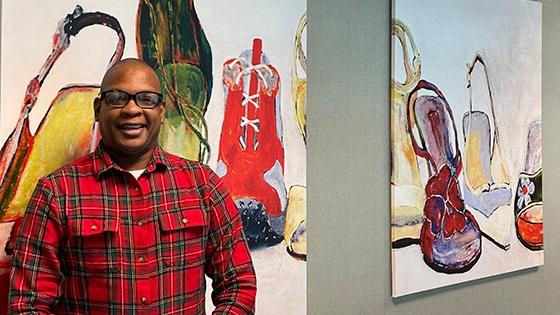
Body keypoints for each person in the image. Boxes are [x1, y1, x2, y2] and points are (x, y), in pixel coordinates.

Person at [8, 58, 256, 314]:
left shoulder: (203, 185)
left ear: (161, 110)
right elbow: (28, 304)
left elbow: (239, 284)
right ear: (97, 109)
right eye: (117, 97)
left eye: (146, 99)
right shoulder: (56, 193)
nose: (131, 109)